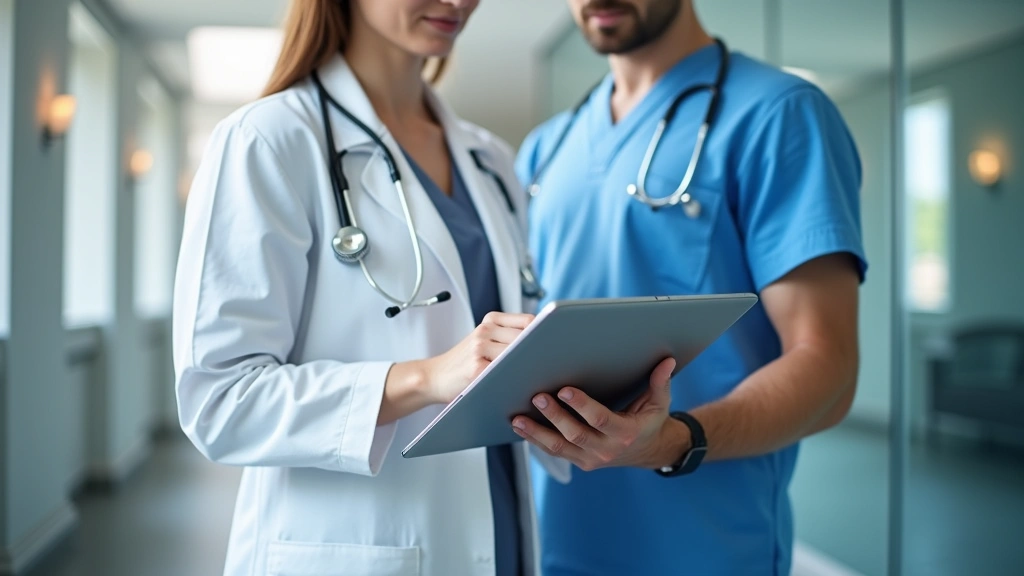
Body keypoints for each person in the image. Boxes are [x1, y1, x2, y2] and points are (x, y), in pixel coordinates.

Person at [173, 0, 560, 574]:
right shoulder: (268, 139)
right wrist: (425, 378)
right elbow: (221, 402)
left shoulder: (491, 160)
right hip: (357, 544)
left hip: (495, 525)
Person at [510, 0, 867, 574]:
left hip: (704, 547)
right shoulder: (545, 150)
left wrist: (672, 440)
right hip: (552, 541)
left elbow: (829, 368)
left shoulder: (779, 115)